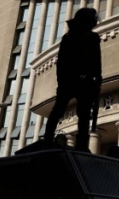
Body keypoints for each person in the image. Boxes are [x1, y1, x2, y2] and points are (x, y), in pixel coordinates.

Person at [43, 8, 102, 151]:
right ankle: (75, 143)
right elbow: (95, 62)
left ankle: (51, 139)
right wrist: (97, 79)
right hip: (75, 80)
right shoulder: (85, 38)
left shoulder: (71, 37)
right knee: (75, 112)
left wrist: (96, 79)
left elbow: (95, 62)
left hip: (75, 81)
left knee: (76, 113)